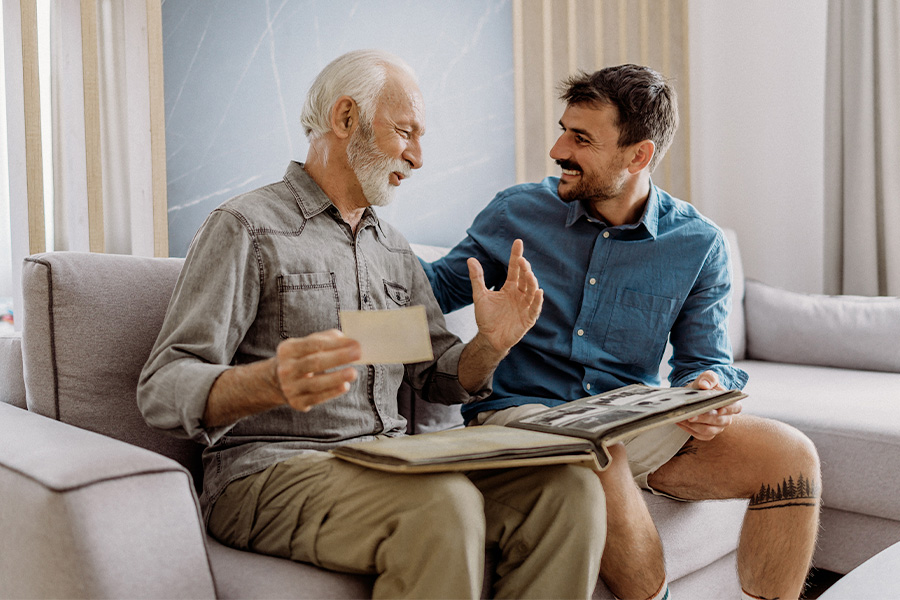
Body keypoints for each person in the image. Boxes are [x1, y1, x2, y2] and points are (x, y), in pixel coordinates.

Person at [137, 49, 608, 599]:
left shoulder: (393, 250)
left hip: (389, 460)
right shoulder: (248, 228)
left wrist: (491, 344)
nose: (419, 156)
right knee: (443, 506)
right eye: (405, 132)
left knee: (569, 489)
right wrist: (268, 382)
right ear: (345, 119)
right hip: (269, 472)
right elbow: (163, 389)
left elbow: (435, 377)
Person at [424, 64, 821, 600]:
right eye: (564, 128)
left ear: (638, 155)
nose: (558, 148)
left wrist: (708, 391)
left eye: (581, 138)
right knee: (602, 449)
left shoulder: (697, 243)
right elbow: (425, 291)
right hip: (524, 413)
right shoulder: (518, 212)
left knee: (791, 454)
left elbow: (704, 360)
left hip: (628, 416)